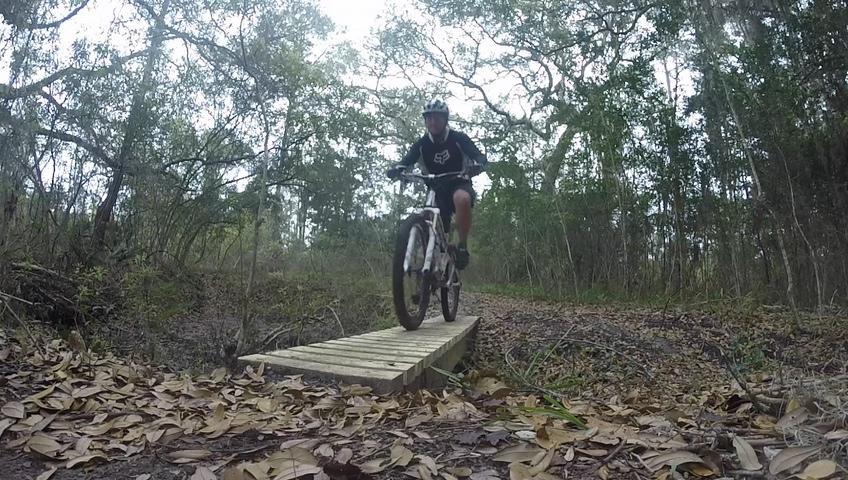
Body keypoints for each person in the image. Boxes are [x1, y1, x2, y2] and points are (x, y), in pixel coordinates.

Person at [386, 99, 487, 270]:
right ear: (425, 121)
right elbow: (406, 160)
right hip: (436, 189)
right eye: (429, 119)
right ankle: (431, 260)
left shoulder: (458, 139)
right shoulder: (421, 145)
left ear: (445, 120)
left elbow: (478, 156)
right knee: (432, 221)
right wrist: (397, 169)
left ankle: (462, 246)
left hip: (459, 182)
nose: (433, 122)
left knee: (461, 198)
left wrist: (479, 164)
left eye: (437, 118)